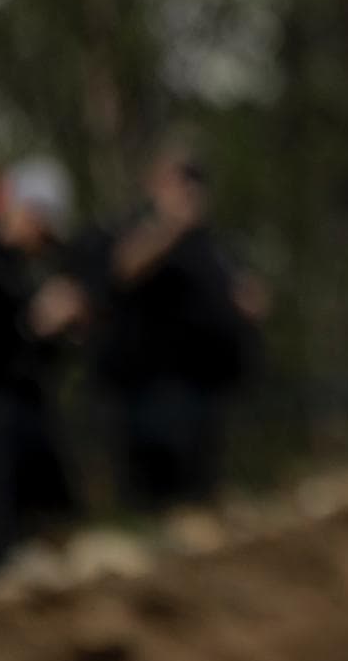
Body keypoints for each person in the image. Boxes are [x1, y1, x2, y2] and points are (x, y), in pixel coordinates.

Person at [93, 140, 263, 510]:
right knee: (162, 497)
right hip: (151, 390)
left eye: (193, 178)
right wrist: (171, 227)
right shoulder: (138, 226)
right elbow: (122, 269)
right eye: (177, 179)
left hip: (203, 385)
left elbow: (233, 289)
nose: (186, 188)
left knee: (200, 492)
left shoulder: (207, 242)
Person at [0, 156, 88, 568]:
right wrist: (35, 321)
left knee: (52, 507)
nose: (42, 241)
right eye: (40, 227)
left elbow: (40, 353)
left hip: (30, 404)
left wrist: (61, 330)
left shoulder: (23, 268)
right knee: (2, 510)